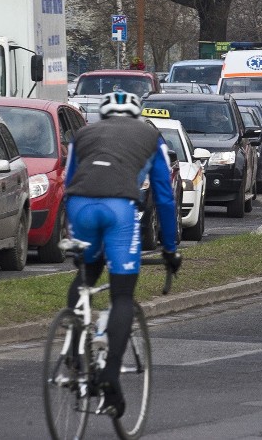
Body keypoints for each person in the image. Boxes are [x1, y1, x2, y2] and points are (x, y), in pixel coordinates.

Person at [63, 90, 180, 419]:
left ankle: (73, 349)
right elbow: (164, 196)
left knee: (85, 273)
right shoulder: (150, 135)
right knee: (122, 296)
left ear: (104, 115)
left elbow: (68, 178)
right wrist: (169, 248)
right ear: (135, 114)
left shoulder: (83, 134)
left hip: (80, 205)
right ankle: (111, 378)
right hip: (119, 209)